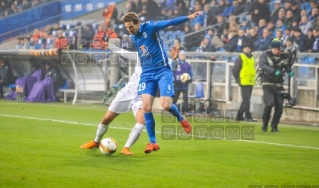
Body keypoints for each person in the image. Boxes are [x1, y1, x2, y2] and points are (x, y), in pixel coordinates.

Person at [123, 11, 200, 153]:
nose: (129, 30)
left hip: (162, 70)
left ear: (137, 23)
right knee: (146, 107)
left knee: (165, 105)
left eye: (131, 27)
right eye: (127, 28)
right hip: (147, 73)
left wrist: (187, 17)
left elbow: (170, 22)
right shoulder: (134, 38)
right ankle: (153, 142)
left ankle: (182, 119)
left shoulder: (150, 27)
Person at [81, 47, 182, 155]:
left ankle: (126, 148)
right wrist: (110, 46)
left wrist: (175, 59)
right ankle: (96, 142)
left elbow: (174, 67)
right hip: (127, 93)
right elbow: (123, 52)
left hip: (143, 97)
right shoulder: (140, 56)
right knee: (106, 119)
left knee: (142, 120)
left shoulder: (164, 61)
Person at [258, 39, 294, 132]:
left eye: (279, 49)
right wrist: (273, 71)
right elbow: (262, 64)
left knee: (279, 107)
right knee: (269, 104)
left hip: (279, 85)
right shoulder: (265, 54)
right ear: (271, 48)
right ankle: (265, 124)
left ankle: (274, 126)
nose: (277, 51)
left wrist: (289, 71)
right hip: (267, 84)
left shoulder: (282, 56)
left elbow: (286, 65)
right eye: (275, 49)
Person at [232, 43, 257, 122]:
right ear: (243, 49)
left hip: (250, 81)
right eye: (245, 47)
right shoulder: (241, 57)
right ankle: (248, 116)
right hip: (244, 81)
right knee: (246, 100)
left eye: (248, 47)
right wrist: (238, 79)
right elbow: (235, 70)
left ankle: (239, 115)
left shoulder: (252, 57)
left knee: (246, 100)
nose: (247, 49)